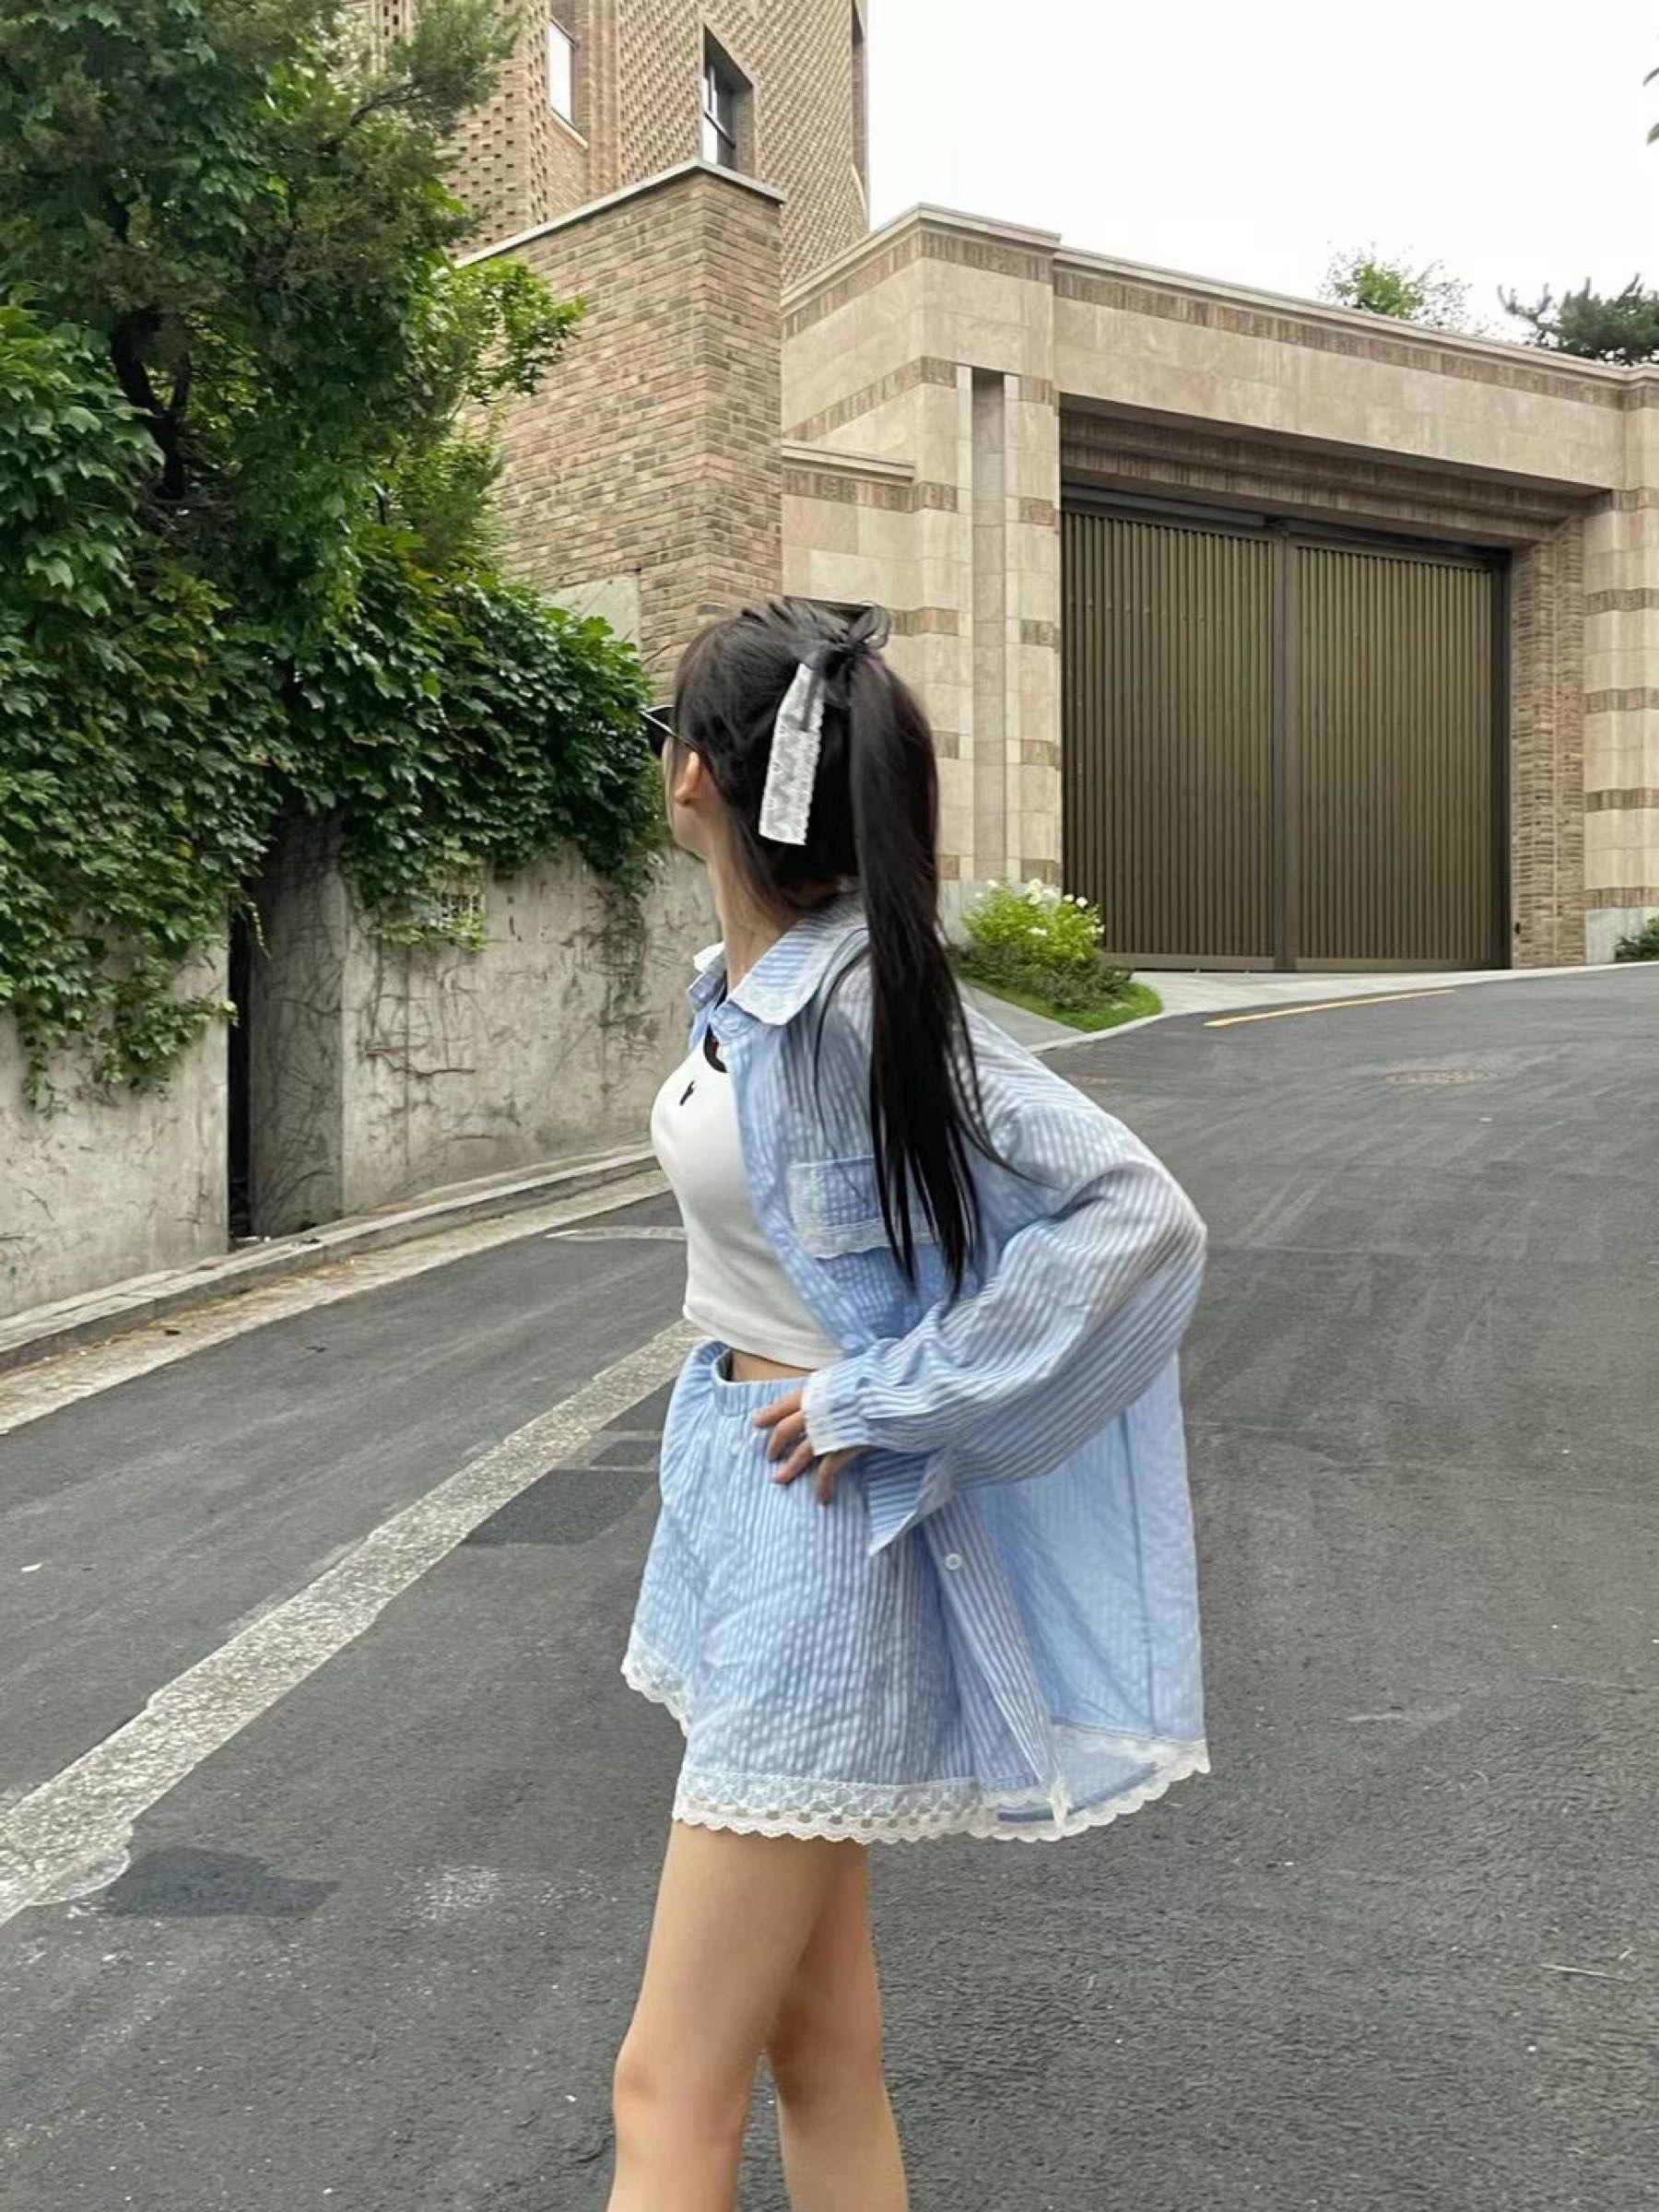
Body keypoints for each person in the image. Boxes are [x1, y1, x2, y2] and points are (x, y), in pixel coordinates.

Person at [612, 599, 1208, 2211]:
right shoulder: (745, 990)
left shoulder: (859, 1006)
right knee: (818, 2045)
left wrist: (887, 1396)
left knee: (667, 2087)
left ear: (695, 778)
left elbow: (1138, 1217)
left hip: (820, 1538)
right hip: (737, 1499)